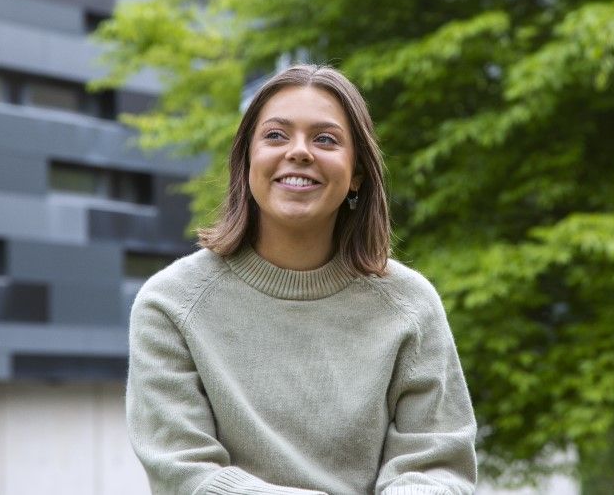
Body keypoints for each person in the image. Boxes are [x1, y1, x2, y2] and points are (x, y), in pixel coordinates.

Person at [126, 64, 478, 494]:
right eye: (275, 135)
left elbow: (437, 465)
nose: (299, 152)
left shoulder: (410, 305)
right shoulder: (170, 304)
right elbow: (185, 474)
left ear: (357, 175)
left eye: (325, 139)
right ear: (247, 161)